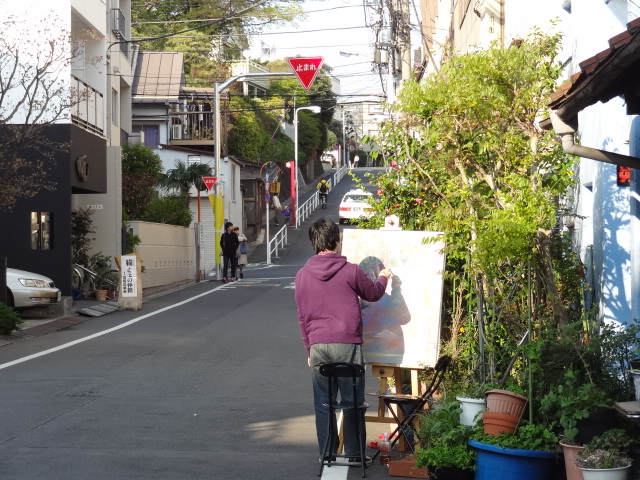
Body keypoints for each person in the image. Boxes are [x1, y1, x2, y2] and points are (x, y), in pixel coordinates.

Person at [295, 218, 392, 464]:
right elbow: (373, 293)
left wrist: (309, 348)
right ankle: (354, 455)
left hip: (318, 345)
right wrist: (383, 277)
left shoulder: (302, 275)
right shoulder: (351, 270)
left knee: (323, 402)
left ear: (313, 243)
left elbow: (302, 316)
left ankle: (327, 454)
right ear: (337, 241)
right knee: (352, 402)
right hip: (347, 343)